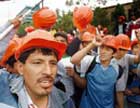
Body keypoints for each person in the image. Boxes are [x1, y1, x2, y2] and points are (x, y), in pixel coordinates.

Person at [0, 29, 75, 108]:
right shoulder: (3, 91)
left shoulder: (66, 102)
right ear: (21, 68)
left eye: (53, 63)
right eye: (37, 63)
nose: (48, 72)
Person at [69, 35, 119, 108]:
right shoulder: (90, 61)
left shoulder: (116, 67)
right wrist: (92, 45)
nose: (103, 51)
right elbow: (73, 60)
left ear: (113, 53)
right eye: (102, 47)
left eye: (108, 49)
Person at [114, 34, 140, 108]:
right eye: (119, 48)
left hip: (122, 96)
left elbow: (138, 59)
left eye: (124, 49)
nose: (121, 52)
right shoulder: (109, 61)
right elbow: (118, 91)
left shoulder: (126, 57)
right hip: (112, 97)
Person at [54, 32, 75, 98]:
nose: (59, 43)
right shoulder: (47, 58)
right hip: (53, 96)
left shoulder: (72, 59)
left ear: (67, 44)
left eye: (62, 41)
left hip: (69, 96)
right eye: (56, 41)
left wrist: (74, 75)